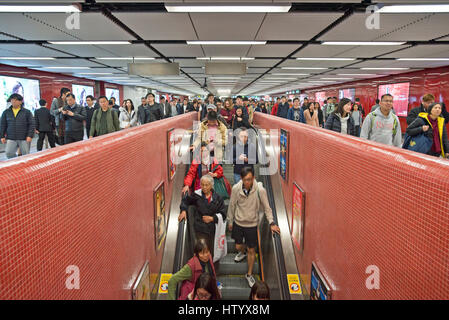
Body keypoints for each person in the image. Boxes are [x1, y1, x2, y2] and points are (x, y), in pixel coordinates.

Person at [227, 166, 280, 288]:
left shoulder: (260, 190)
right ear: (241, 179)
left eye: (250, 179)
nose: (248, 182)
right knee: (238, 246)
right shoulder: (236, 189)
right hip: (238, 222)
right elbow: (231, 205)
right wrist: (230, 221)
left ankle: (249, 274)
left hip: (252, 224)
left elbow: (267, 207)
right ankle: (243, 251)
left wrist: (271, 223)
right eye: (246, 179)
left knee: (252, 250)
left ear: (254, 178)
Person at [179, 175, 226, 264]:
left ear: (211, 185)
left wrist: (212, 218)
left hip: (213, 231)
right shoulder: (197, 195)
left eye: (207, 185)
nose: (204, 187)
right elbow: (185, 201)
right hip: (200, 230)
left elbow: (223, 214)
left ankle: (212, 274)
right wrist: (184, 210)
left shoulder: (218, 198)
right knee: (201, 254)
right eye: (202, 184)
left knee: (211, 254)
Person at [0, 93, 34, 159]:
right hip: (11, 137)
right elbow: (2, 125)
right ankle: (17, 164)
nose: (13, 101)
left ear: (20, 101)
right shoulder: (6, 112)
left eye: (15, 100)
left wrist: (30, 135)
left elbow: (31, 124)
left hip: (24, 137)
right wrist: (2, 136)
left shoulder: (27, 112)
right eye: (12, 100)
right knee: (9, 153)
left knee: (26, 155)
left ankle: (25, 167)